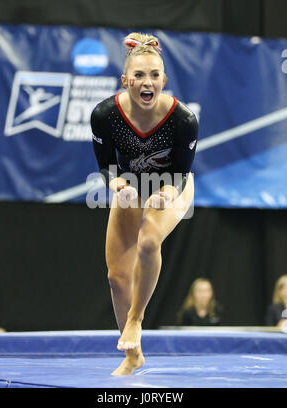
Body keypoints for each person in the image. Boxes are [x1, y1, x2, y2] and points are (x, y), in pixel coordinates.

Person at [90, 32, 198, 375]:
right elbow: (105, 165)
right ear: (126, 81)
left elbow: (181, 173)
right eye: (139, 75)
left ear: (164, 80)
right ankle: (133, 354)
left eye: (154, 75)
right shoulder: (105, 115)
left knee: (149, 239)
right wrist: (115, 182)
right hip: (132, 188)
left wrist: (167, 192)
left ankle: (135, 321)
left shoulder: (183, 120)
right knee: (117, 277)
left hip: (174, 186)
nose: (147, 82)